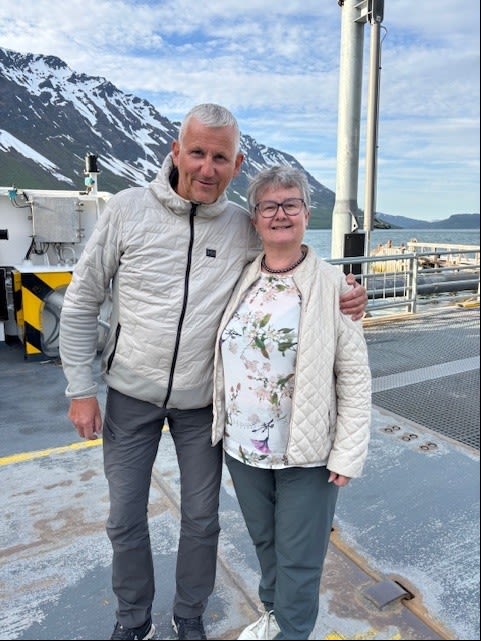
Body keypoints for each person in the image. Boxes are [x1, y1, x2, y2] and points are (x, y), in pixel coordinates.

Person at [59, 104, 368, 641]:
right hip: (130, 395)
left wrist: (348, 294)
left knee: (202, 520)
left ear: (236, 163)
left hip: (201, 406)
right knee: (123, 518)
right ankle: (133, 621)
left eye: (220, 157)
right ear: (176, 151)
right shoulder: (127, 210)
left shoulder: (239, 226)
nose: (207, 167)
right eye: (197, 152)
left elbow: (291, 258)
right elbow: (83, 300)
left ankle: (190, 616)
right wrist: (80, 389)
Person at [212, 165, 371, 640]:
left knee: (300, 557)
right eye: (269, 206)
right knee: (266, 543)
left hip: (307, 452)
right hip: (243, 447)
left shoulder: (334, 285)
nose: (280, 214)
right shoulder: (241, 277)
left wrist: (348, 452)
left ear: (306, 213)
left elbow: (354, 376)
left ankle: (292, 631)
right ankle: (274, 615)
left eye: (291, 204)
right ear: (255, 218)